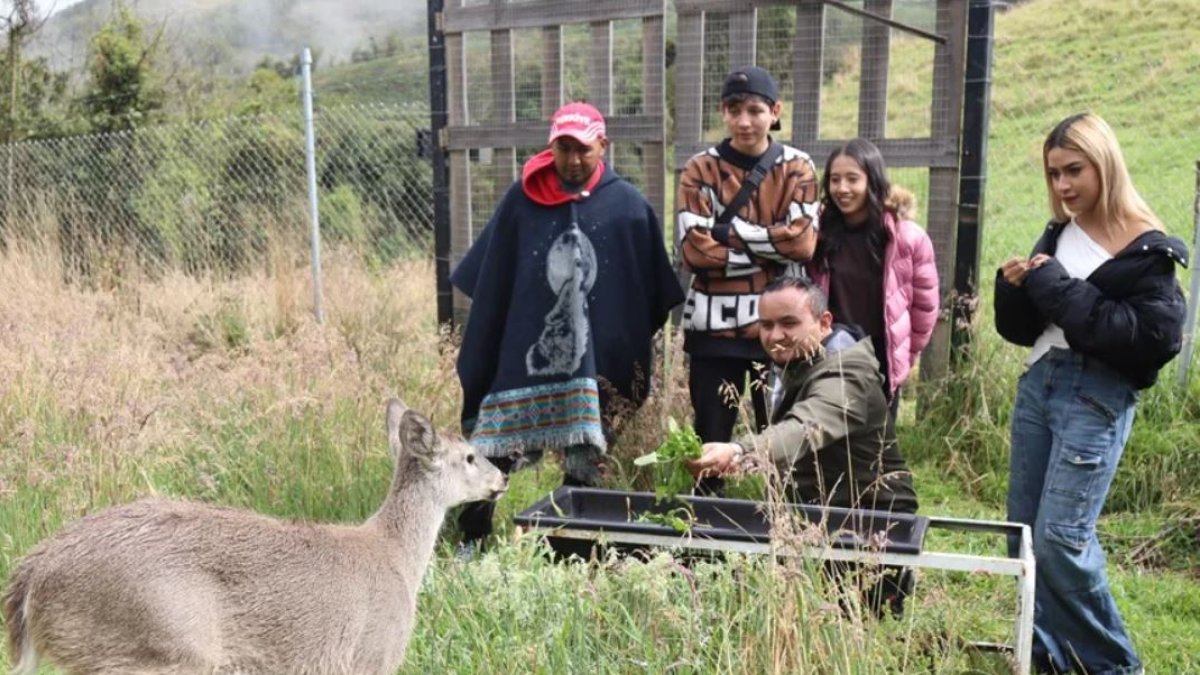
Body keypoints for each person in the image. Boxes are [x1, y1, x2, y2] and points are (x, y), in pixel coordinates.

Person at [994, 112, 1187, 675]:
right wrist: (1014, 290)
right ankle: (1051, 658)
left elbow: (1150, 340)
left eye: (1074, 170)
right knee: (1022, 538)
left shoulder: (1149, 248)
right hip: (1040, 381)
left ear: (1104, 163)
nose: (1063, 186)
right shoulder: (1059, 232)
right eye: (1054, 174)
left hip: (1095, 395)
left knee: (1061, 542)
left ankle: (1114, 667)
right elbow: (1022, 330)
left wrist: (1053, 284)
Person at [451, 101, 685, 551]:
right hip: (523, 361)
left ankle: (574, 545)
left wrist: (621, 340)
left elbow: (648, 294)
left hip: (598, 365)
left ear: (603, 145)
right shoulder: (523, 200)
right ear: (551, 146)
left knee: (587, 454)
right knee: (493, 447)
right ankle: (472, 535)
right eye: (563, 149)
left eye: (583, 150)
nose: (573, 160)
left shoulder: (629, 208)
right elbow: (493, 277)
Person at [687, 277, 918, 616]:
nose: (775, 336)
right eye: (766, 325)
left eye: (789, 323)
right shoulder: (798, 361)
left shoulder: (845, 373)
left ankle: (888, 590)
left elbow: (804, 428)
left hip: (870, 527)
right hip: (815, 517)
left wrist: (738, 452)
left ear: (824, 323)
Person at [676, 66, 820, 493]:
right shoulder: (700, 168)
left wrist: (727, 234)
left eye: (755, 110)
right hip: (712, 330)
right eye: (734, 109)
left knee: (779, 440)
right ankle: (705, 528)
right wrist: (769, 247)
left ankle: (783, 526)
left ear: (775, 112)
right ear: (722, 112)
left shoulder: (797, 167)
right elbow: (695, 253)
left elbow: (803, 245)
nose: (744, 121)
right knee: (710, 441)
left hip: (777, 327)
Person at [806, 138, 939, 438]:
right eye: (835, 179)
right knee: (828, 437)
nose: (842, 188)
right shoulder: (816, 233)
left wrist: (906, 353)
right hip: (831, 349)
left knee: (876, 440)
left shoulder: (906, 237)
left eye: (853, 179)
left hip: (881, 351)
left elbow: (925, 306)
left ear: (873, 179)